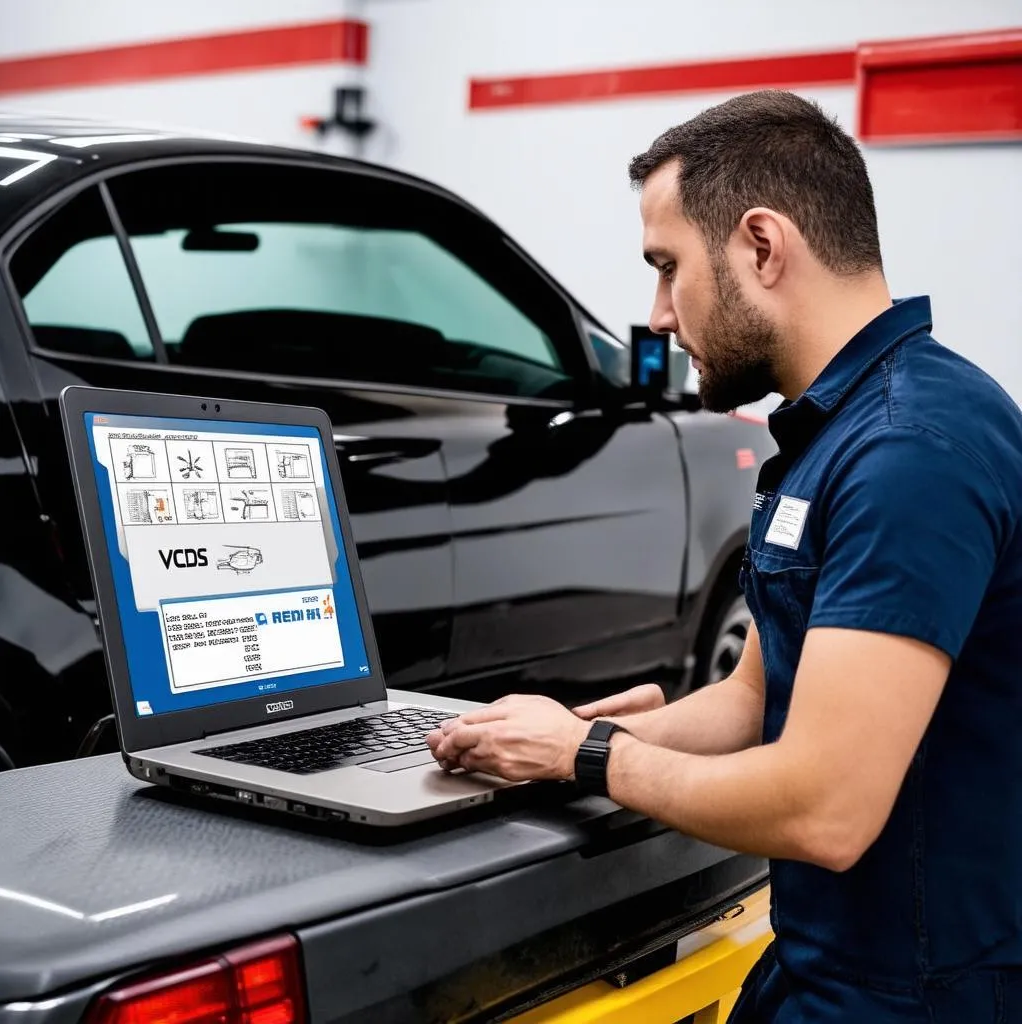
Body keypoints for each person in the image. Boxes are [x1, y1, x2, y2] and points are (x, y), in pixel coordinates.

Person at [427, 89, 1022, 1022]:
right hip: (821, 963)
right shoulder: (839, 433)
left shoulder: (911, 454)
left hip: (917, 994)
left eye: (668, 268)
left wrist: (589, 758)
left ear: (761, 245)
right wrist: (559, 739)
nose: (658, 314)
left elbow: (825, 809)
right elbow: (754, 696)